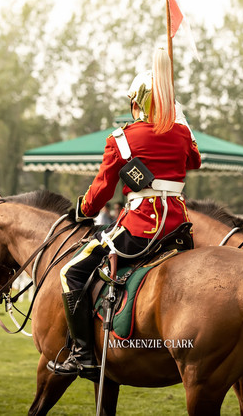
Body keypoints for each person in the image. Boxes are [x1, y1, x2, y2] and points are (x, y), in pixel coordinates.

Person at [48, 48, 201, 380]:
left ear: (137, 104)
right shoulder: (181, 135)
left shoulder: (122, 139)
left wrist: (83, 211)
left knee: (71, 273)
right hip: (178, 230)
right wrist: (181, 122)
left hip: (139, 230)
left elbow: (102, 189)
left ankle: (83, 353)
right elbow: (195, 162)